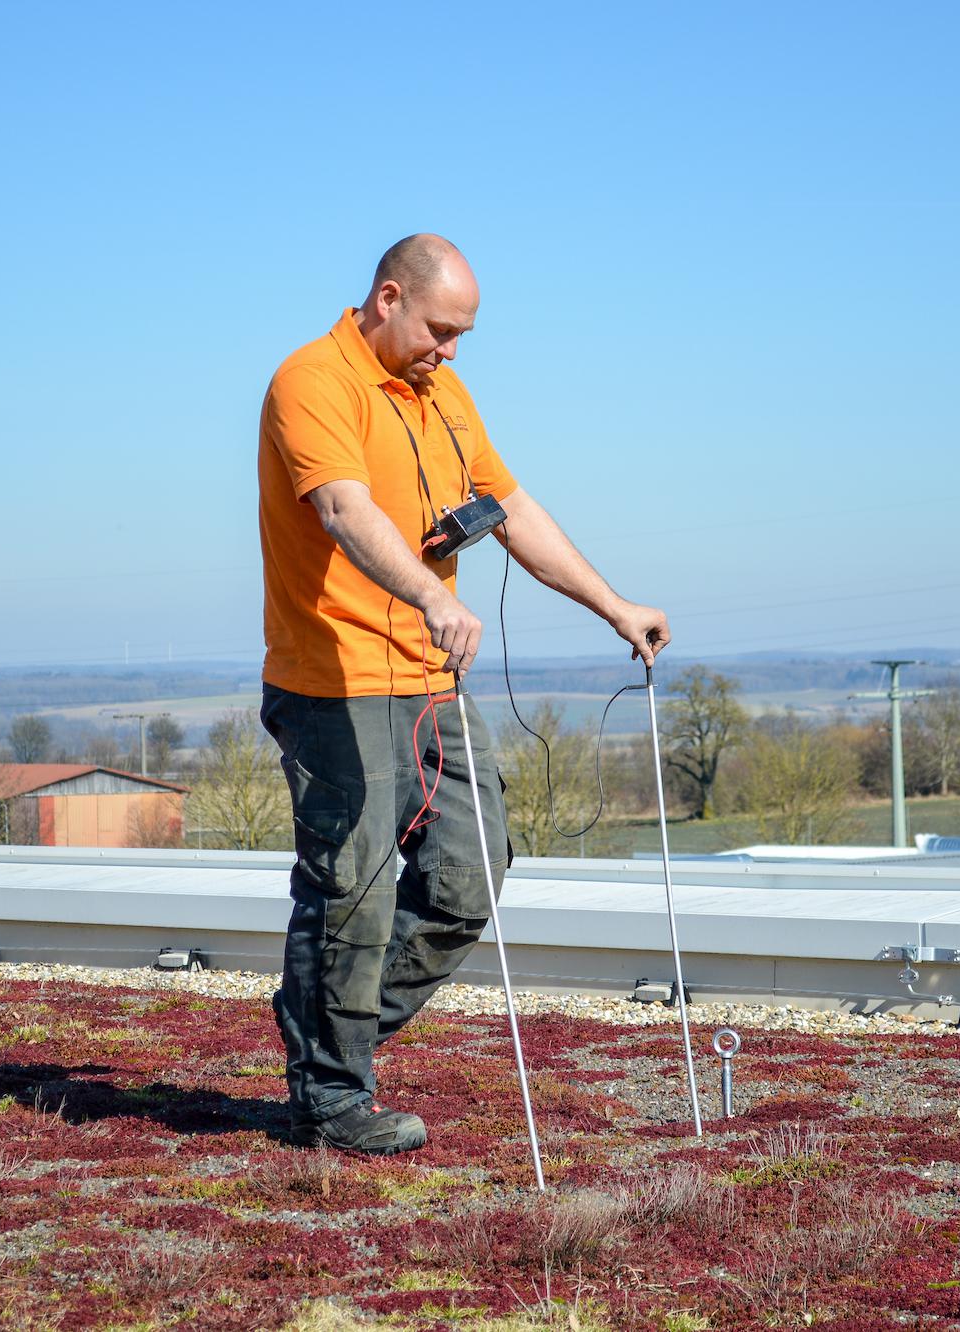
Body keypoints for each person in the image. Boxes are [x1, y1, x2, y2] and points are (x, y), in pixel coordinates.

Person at [258, 233, 669, 1154]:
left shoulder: (444, 392)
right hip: (337, 683)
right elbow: (343, 509)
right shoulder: (311, 381)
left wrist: (613, 605)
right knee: (351, 889)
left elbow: (510, 508)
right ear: (388, 297)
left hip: (432, 680)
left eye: (462, 336)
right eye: (440, 330)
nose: (451, 350)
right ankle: (329, 1096)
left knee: (467, 875)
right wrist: (433, 595)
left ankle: (324, 1021)